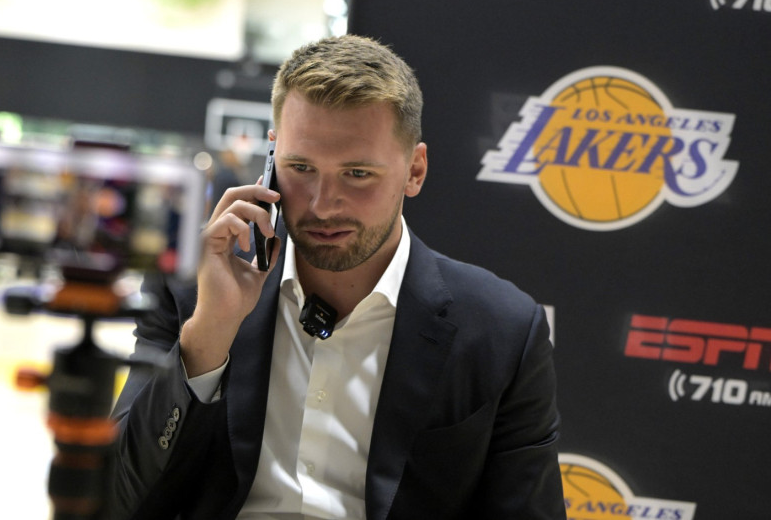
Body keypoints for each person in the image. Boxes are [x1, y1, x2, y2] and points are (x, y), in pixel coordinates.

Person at [109, 34, 566, 520]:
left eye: (357, 174)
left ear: (414, 171)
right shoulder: (192, 292)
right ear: (271, 159)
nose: (323, 204)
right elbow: (114, 500)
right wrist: (209, 335)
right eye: (301, 167)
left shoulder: (501, 331)